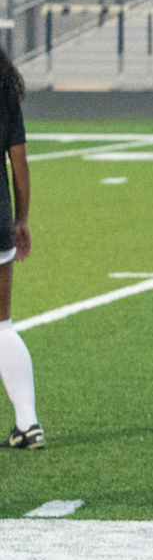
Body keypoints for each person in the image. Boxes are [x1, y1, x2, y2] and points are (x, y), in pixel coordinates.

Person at [0, 45, 35, 451]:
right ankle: (27, 423)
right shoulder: (5, 85)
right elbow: (19, 162)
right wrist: (21, 218)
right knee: (2, 324)